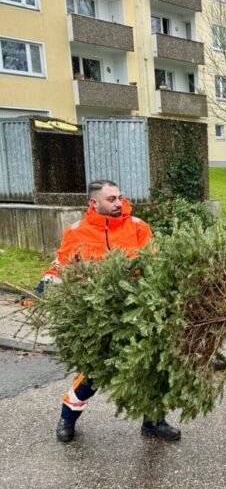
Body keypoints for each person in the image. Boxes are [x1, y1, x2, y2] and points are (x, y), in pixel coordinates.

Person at [37, 180, 181, 443]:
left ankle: (153, 422)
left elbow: (156, 262)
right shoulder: (77, 231)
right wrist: (44, 286)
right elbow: (61, 265)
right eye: (111, 199)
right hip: (97, 314)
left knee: (151, 366)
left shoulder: (137, 226)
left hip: (138, 309)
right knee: (95, 371)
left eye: (120, 197)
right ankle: (67, 418)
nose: (119, 203)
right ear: (94, 203)